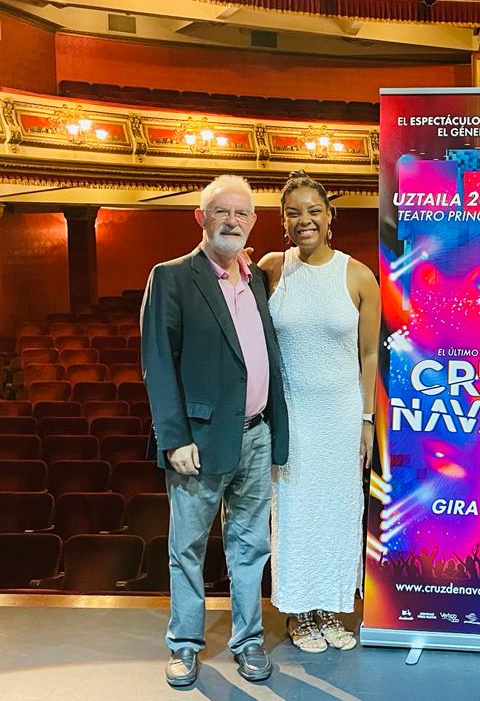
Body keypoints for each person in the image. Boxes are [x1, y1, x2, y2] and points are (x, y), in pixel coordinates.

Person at [141, 174, 289, 687]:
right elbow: (158, 363)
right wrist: (174, 437)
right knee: (188, 546)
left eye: (242, 214)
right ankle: (183, 645)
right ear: (201, 218)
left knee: (250, 546)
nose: (232, 221)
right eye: (222, 212)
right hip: (198, 444)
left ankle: (247, 642)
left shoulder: (257, 280)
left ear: (253, 222)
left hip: (255, 434)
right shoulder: (172, 277)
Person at [258, 171, 380, 653]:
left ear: (331, 217)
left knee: (338, 513)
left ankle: (330, 608)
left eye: (313, 211)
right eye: (293, 212)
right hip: (290, 416)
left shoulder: (358, 275)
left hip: (342, 414)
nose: (303, 220)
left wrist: (367, 419)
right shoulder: (270, 268)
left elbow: (369, 355)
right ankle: (299, 613)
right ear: (282, 220)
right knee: (292, 513)